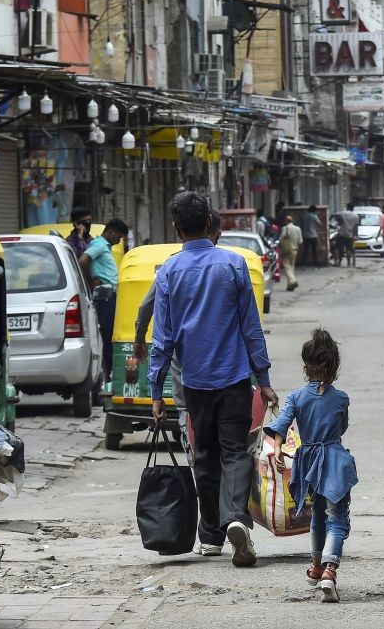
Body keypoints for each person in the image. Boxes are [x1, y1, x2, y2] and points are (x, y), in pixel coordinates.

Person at [149, 192, 278, 567]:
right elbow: (251, 328)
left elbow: (163, 340)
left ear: (177, 229)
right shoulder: (234, 265)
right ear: (210, 222)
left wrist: (156, 390)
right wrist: (264, 378)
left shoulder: (168, 272)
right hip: (235, 379)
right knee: (235, 453)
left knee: (204, 457)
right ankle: (236, 518)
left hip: (195, 383)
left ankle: (210, 537)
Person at [269, 328, 358, 603]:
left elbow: (281, 424)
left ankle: (316, 566)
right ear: (334, 366)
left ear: (305, 366)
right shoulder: (341, 398)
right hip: (333, 460)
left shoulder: (296, 397)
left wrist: (277, 449)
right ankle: (330, 570)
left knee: (317, 516)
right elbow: (341, 427)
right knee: (337, 518)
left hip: (308, 462)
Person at [134, 210, 224, 467]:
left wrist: (139, 340)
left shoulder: (171, 267)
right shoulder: (232, 265)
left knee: (187, 413)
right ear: (214, 230)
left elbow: (145, 309)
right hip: (224, 371)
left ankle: (198, 470)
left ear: (178, 228)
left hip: (185, 366)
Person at [78, 218, 129, 378]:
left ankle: (109, 374)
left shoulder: (103, 246)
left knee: (109, 335)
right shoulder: (99, 245)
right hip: (104, 297)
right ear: (112, 232)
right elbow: (83, 260)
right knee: (106, 337)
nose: (119, 240)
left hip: (109, 296)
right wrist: (90, 282)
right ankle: (108, 376)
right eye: (119, 237)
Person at [279, 215, 303, 291]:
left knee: (287, 267)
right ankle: (290, 285)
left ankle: (293, 281)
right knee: (291, 267)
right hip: (295, 250)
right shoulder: (298, 228)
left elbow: (281, 239)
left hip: (286, 250)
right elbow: (300, 241)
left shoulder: (285, 228)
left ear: (286, 221)